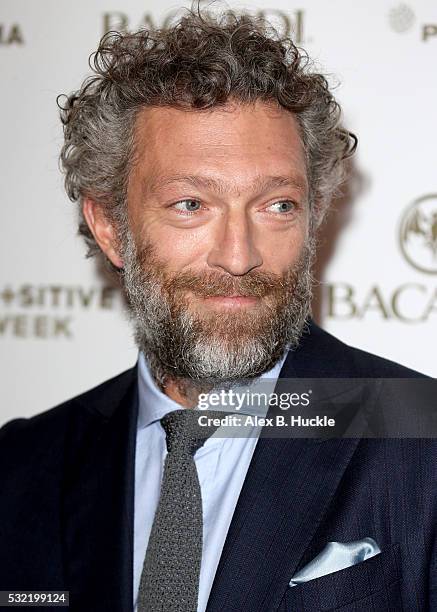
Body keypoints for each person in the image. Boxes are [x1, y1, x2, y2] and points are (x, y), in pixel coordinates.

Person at [0, 8, 435, 612]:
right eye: (190, 203)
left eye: (277, 205)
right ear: (110, 227)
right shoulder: (23, 469)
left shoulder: (423, 443)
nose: (239, 255)